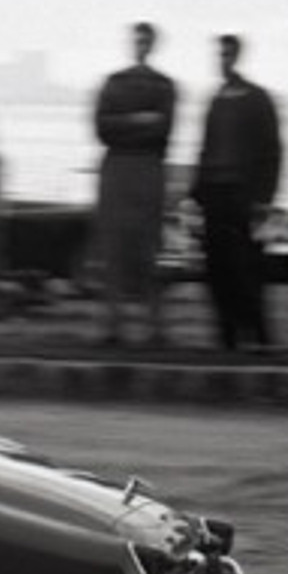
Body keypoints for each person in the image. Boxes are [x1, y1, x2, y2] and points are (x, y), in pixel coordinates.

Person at [191, 34, 283, 352]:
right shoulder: (215, 100)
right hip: (214, 195)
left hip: (244, 197)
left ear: (238, 57)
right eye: (220, 56)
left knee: (248, 268)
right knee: (217, 269)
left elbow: (272, 153)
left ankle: (257, 335)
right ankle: (226, 335)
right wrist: (195, 193)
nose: (224, 61)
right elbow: (204, 148)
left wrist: (263, 200)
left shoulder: (258, 99)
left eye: (229, 55)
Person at [92, 22, 178, 346]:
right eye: (137, 39)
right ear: (131, 43)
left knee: (148, 249)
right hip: (117, 168)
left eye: (146, 40)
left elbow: (164, 132)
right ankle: (113, 325)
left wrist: (124, 124)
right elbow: (102, 128)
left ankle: (155, 327)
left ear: (153, 45)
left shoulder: (164, 85)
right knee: (112, 247)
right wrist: (140, 119)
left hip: (147, 169)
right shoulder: (114, 82)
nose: (140, 45)